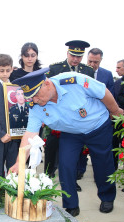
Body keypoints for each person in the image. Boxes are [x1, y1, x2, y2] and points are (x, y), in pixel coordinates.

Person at [10, 68, 123, 217]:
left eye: (36, 95)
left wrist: (115, 112)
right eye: (31, 97)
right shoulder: (36, 106)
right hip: (71, 133)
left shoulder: (74, 81)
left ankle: (107, 197)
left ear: (47, 84)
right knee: (65, 165)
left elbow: (103, 93)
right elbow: (30, 135)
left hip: (97, 126)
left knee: (103, 163)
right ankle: (71, 206)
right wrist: (19, 162)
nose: (35, 100)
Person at [44, 40, 94, 184]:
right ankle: (47, 176)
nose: (75, 59)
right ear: (67, 53)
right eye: (73, 55)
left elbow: (90, 93)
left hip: (77, 117)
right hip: (57, 116)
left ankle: (71, 180)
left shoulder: (88, 71)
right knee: (52, 147)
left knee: (74, 150)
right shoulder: (55, 68)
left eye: (79, 56)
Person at [77, 48, 115, 178]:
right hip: (81, 117)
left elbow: (111, 95)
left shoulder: (107, 75)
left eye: (96, 62)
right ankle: (80, 170)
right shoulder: (80, 72)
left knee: (99, 152)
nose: (92, 64)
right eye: (90, 61)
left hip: (99, 118)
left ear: (101, 60)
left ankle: (100, 175)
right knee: (81, 148)